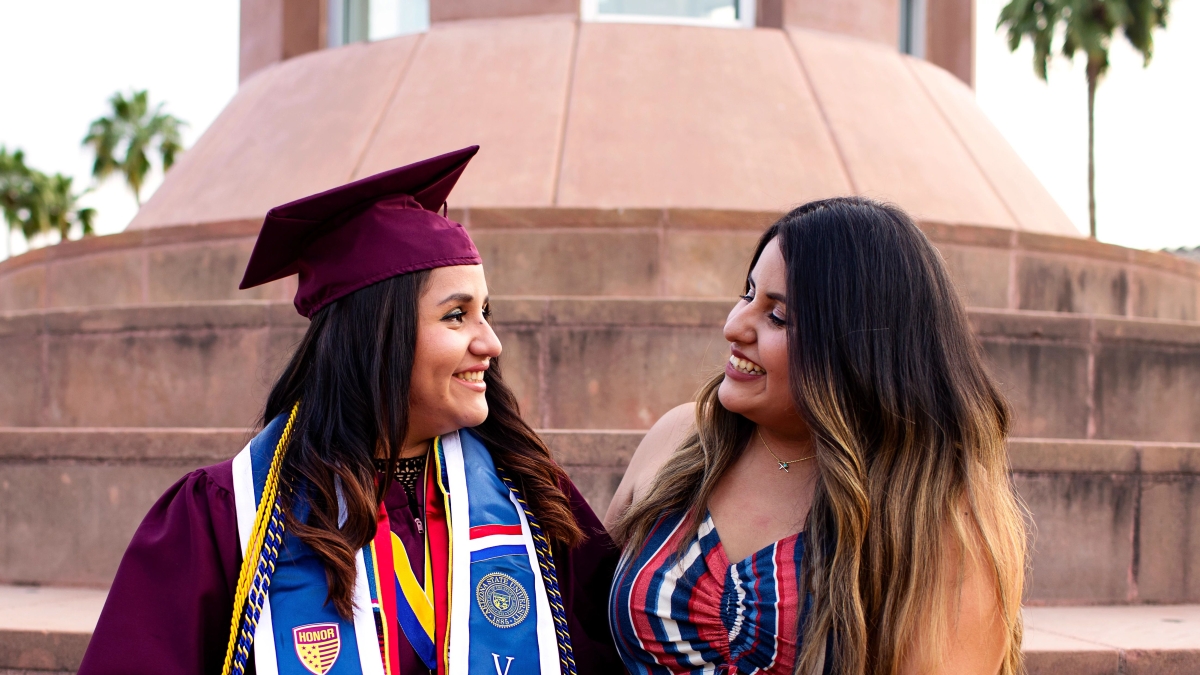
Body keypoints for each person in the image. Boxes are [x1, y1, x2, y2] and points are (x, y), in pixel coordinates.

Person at [78, 147, 621, 675]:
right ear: (377, 337)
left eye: (486, 312)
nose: (491, 342)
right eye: (457, 316)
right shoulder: (227, 519)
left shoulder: (531, 500)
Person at [605, 198, 1027, 675]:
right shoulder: (680, 440)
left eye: (778, 316)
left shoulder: (942, 521)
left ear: (858, 350)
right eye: (747, 295)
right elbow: (572, 615)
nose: (733, 326)